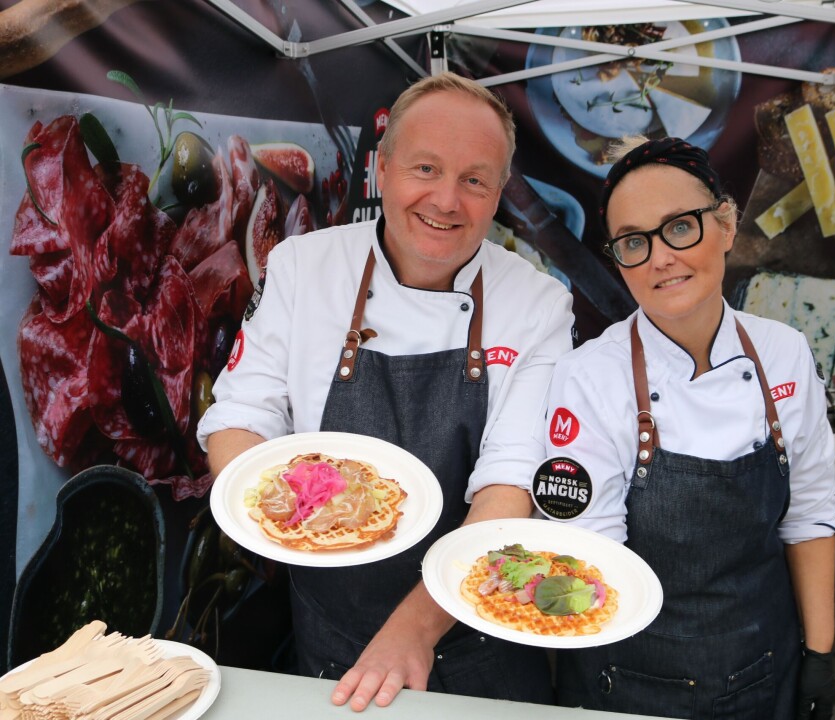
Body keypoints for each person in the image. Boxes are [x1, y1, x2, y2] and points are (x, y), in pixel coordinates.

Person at [197, 72, 573, 710]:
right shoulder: (302, 268)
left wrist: (413, 631)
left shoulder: (537, 303)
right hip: (331, 632)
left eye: (475, 180)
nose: (447, 201)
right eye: (425, 167)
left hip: (483, 629)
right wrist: (278, 516)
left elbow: (511, 486)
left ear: (500, 192)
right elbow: (241, 413)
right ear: (382, 166)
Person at [540, 136, 835, 720]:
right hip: (625, 682)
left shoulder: (783, 353)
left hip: (764, 668)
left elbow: (808, 516)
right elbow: (589, 556)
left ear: (727, 225)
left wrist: (820, 656)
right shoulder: (588, 377)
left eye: (680, 227)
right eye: (634, 241)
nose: (660, 258)